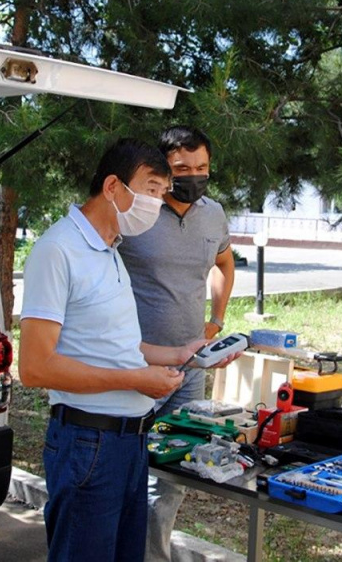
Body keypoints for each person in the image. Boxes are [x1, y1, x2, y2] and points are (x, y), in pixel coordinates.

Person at [18, 138, 228, 562]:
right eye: (150, 189)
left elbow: (118, 346)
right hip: (89, 442)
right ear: (113, 186)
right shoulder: (59, 250)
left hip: (129, 443)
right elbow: (36, 368)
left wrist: (178, 353)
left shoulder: (111, 249)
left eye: (159, 192)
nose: (156, 202)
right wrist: (135, 379)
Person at [116, 125, 235, 562]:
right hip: (132, 369)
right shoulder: (134, 213)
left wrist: (215, 321)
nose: (193, 176)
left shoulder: (213, 214)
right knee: (122, 475)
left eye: (202, 168)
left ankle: (154, 556)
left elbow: (223, 261)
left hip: (190, 372)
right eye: (182, 168)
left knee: (170, 483)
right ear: (162, 170)